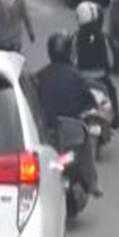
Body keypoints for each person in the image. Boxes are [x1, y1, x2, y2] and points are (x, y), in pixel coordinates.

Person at [35, 33, 100, 197]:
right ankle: (92, 183)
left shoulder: (39, 76)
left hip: (45, 132)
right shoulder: (78, 77)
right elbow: (91, 102)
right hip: (70, 132)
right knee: (86, 144)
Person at [74, 1, 119, 130]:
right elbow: (111, 61)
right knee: (112, 91)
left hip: (82, 78)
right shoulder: (102, 37)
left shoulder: (76, 37)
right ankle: (115, 120)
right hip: (101, 77)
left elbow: (73, 59)